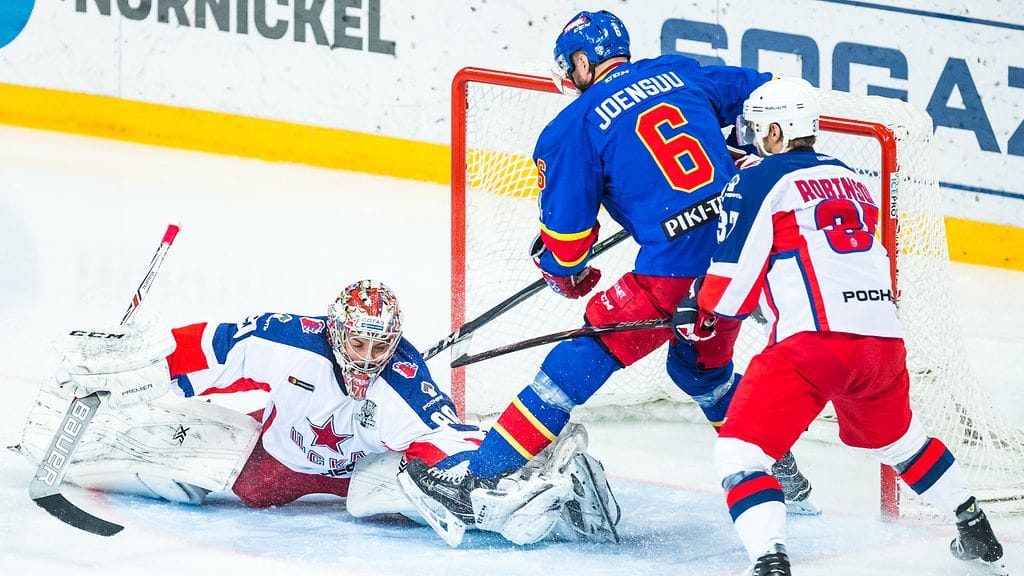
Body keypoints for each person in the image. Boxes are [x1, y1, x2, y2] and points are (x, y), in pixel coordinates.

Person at [402, 9, 815, 533]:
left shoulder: (571, 126)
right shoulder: (682, 70)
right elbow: (772, 92)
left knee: (580, 358)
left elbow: (569, 247)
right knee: (699, 370)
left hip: (674, 273)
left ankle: (477, 480)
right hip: (741, 259)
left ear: (580, 62)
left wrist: (559, 271)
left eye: (568, 67)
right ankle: (779, 470)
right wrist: (744, 149)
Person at [674, 78, 1005, 575]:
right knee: (899, 441)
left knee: (740, 454)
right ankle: (970, 520)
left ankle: (770, 560)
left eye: (759, 128)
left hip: (812, 346)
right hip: (882, 343)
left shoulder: (760, 179)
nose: (753, 136)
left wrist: (697, 308)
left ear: (778, 130)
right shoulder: (850, 177)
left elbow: (729, 289)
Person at [17, 279, 616, 545]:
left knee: (405, 489)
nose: (370, 358)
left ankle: (546, 478)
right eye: (359, 344)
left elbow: (445, 440)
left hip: (356, 476)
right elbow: (212, 348)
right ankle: (85, 440)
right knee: (187, 472)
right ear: (336, 332)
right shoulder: (287, 340)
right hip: (269, 464)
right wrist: (140, 371)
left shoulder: (403, 383)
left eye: (383, 346)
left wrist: (492, 477)